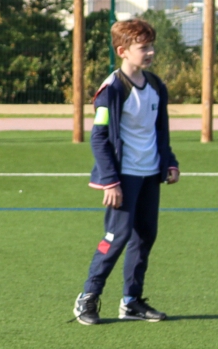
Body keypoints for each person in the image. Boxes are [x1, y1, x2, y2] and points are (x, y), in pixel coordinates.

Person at [74, 17, 180, 325]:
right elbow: (99, 137)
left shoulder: (156, 86)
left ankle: (132, 301)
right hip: (124, 178)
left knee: (145, 236)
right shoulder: (111, 89)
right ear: (123, 51)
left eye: (151, 46)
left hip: (150, 174)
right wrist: (110, 181)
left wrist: (169, 161)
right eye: (143, 47)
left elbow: (160, 131)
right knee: (116, 236)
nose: (150, 52)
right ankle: (88, 298)